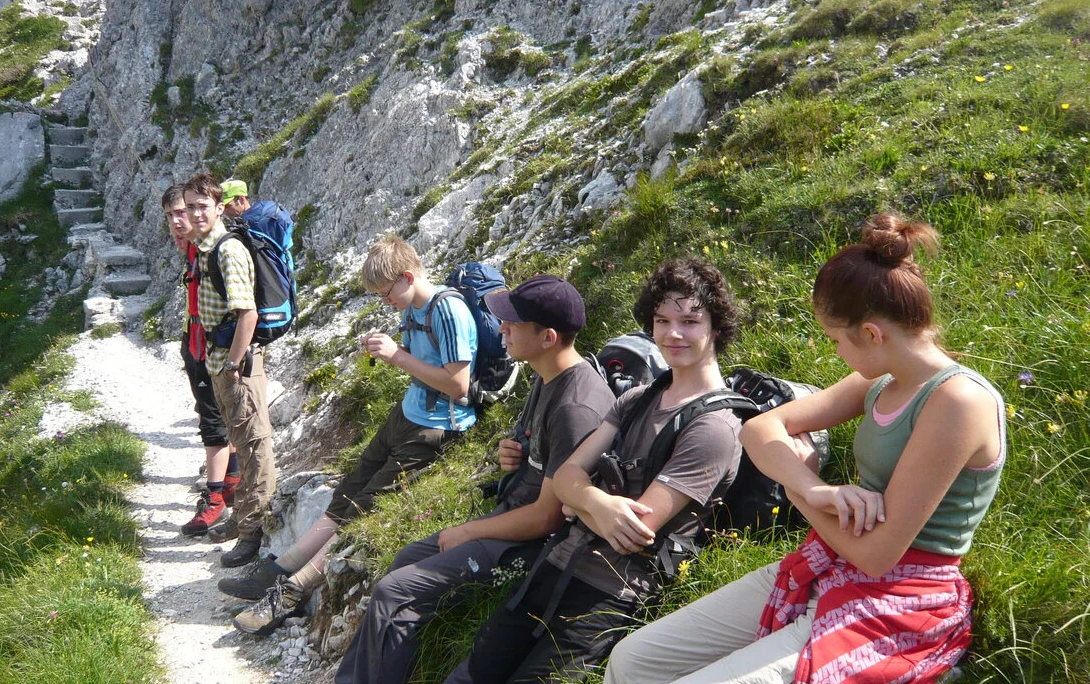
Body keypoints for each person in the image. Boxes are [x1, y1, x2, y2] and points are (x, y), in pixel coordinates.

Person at [603, 214, 1006, 684]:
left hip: (900, 600)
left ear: (872, 334)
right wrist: (814, 488)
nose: (835, 353)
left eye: (836, 340)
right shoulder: (879, 380)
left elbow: (877, 554)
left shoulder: (958, 401)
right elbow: (760, 429)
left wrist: (798, 493)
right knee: (630, 662)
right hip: (832, 560)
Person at [446, 257, 745, 684]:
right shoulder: (637, 399)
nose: (672, 333)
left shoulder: (714, 427)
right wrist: (595, 502)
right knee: (470, 675)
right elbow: (567, 477)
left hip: (608, 594)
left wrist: (578, 499)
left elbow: (635, 530)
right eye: (661, 319)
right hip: (553, 568)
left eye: (690, 320)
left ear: (717, 328)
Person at [335, 275, 617, 684]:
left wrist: (468, 530)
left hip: (529, 546)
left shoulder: (576, 407)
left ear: (548, 337)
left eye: (512, 324)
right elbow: (544, 466)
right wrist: (517, 457)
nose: (500, 328)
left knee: (395, 595)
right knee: (403, 564)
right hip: (512, 520)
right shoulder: (548, 375)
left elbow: (548, 519)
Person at [228, 234, 478, 634]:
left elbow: (459, 386)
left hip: (437, 427)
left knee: (365, 506)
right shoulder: (414, 307)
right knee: (350, 489)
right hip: (409, 412)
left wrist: (397, 355)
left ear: (407, 276)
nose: (384, 301)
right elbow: (421, 367)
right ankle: (281, 566)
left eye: (385, 293)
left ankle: (292, 592)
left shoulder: (448, 312)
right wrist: (393, 354)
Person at [184, 172, 278, 568]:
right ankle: (241, 519)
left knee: (255, 445)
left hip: (235, 362)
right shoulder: (205, 248)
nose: (194, 213)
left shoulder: (227, 251)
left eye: (202, 206)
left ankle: (253, 532)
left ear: (219, 207)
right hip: (220, 358)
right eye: (189, 207)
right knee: (240, 437)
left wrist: (235, 365)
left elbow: (248, 314)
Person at [162, 183, 240, 538]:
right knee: (216, 411)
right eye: (172, 215)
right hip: (195, 338)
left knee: (211, 416)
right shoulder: (196, 250)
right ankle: (233, 475)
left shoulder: (215, 249)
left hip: (209, 343)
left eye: (186, 211)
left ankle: (214, 498)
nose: (180, 221)